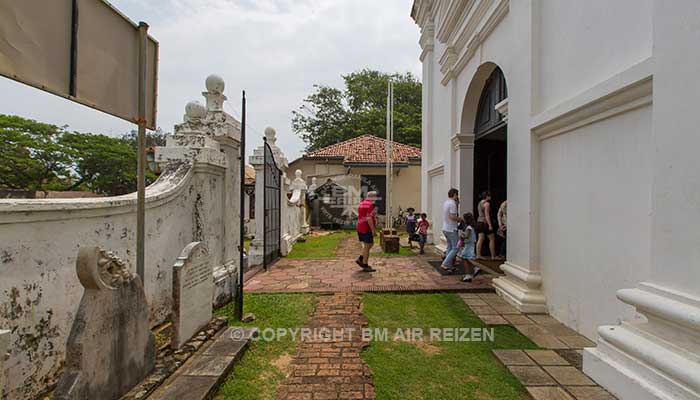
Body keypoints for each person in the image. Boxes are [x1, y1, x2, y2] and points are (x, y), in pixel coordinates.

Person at [356, 191, 378, 272]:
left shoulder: (362, 203)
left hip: (360, 227)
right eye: (375, 196)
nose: (375, 198)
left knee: (368, 245)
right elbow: (369, 219)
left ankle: (361, 258)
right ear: (371, 196)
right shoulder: (369, 205)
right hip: (366, 228)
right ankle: (365, 265)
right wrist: (373, 231)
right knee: (368, 245)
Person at [440, 188, 461, 272]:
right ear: (454, 194)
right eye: (457, 195)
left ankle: (448, 265)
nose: (457, 196)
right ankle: (445, 263)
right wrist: (460, 219)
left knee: (449, 246)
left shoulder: (446, 202)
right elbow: (452, 217)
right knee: (456, 248)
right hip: (451, 228)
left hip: (445, 228)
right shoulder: (452, 204)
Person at [458, 213, 481, 282]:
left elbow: (467, 236)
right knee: (465, 258)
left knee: (467, 257)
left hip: (469, 245)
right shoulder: (472, 227)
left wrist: (462, 236)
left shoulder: (468, 227)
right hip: (470, 244)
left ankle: (476, 267)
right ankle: (468, 275)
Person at [476, 191, 497, 260]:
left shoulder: (479, 203)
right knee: (491, 239)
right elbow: (487, 215)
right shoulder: (487, 204)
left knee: (480, 239)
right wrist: (490, 225)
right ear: (487, 196)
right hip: (485, 223)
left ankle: (478, 254)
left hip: (479, 222)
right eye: (489, 195)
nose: (490, 197)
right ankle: (493, 256)